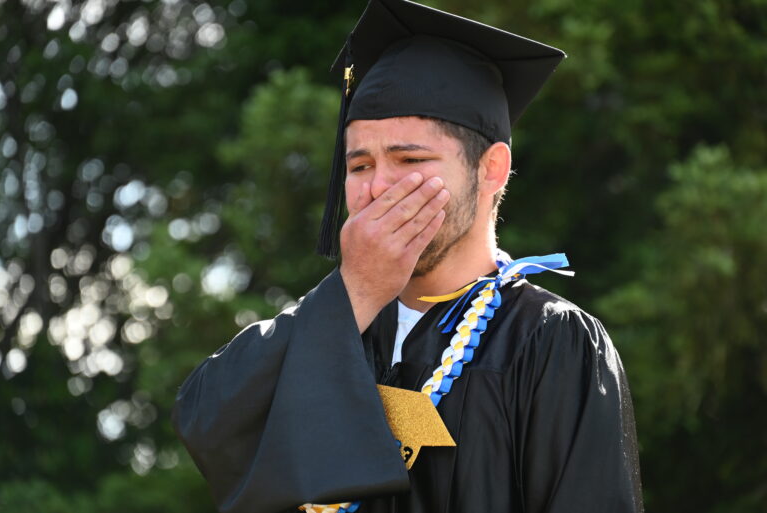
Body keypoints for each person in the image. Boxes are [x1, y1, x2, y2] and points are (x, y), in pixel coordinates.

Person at [172, 0, 644, 512]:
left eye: (410, 160)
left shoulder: (550, 341)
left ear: (492, 170)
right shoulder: (331, 330)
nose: (377, 188)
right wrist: (355, 291)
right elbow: (208, 423)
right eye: (359, 166)